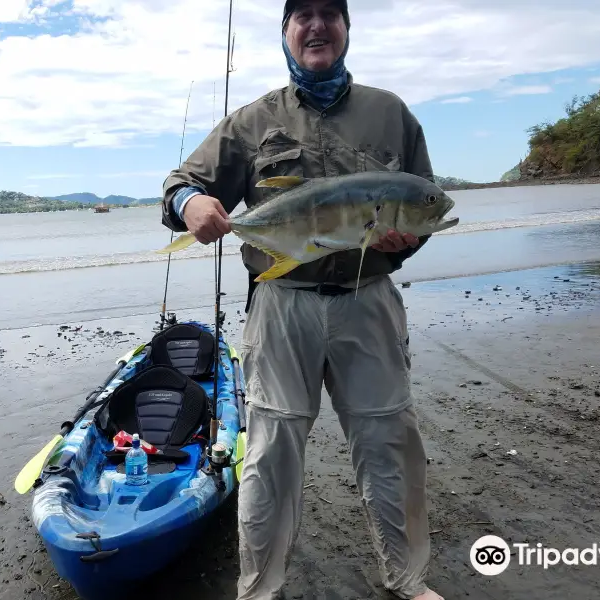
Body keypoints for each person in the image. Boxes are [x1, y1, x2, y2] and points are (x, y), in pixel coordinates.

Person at [160, 1, 441, 599]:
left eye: (329, 14)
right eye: (302, 15)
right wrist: (191, 205)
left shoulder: (390, 114)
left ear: (346, 28)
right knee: (269, 455)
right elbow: (180, 183)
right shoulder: (252, 121)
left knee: (390, 441)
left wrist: (403, 241)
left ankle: (409, 581)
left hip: (369, 299)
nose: (317, 26)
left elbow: (424, 204)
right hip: (281, 303)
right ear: (286, 33)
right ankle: (260, 590)